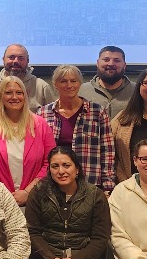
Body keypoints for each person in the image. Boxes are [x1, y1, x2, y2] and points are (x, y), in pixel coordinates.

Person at [0, 76, 56, 206]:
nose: (14, 97)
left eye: (19, 93)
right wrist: (2, 192)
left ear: (25, 96)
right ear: (1, 96)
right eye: (8, 93)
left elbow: (50, 163)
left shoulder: (40, 124)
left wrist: (27, 192)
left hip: (35, 199)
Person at [37, 65, 115, 194]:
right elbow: (39, 153)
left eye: (73, 81)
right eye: (63, 81)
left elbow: (107, 151)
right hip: (54, 183)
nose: (69, 85)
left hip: (89, 182)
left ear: (80, 83)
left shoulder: (97, 112)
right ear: (55, 84)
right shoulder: (43, 114)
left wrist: (108, 186)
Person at [78, 46, 134, 120]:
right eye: (106, 60)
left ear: (124, 65)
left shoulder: (137, 90)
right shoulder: (80, 91)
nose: (111, 64)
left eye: (116, 61)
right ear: (97, 63)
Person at [0, 44, 55, 112]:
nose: (16, 61)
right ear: (3, 59)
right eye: (11, 57)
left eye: (21, 58)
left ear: (27, 61)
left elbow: (53, 116)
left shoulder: (41, 87)